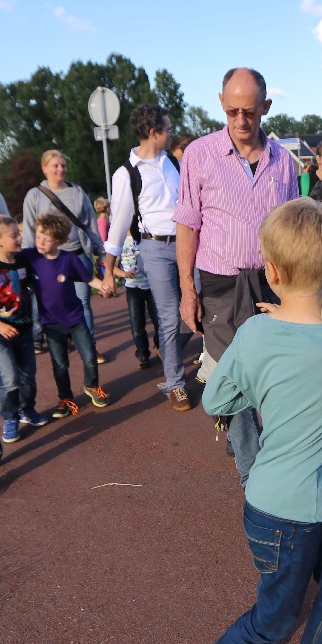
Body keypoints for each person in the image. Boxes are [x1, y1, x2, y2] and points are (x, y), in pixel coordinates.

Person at [177, 199, 322, 644]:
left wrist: (263, 385)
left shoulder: (254, 334)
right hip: (291, 513)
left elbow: (216, 399)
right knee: (273, 618)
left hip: (287, 504)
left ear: (272, 271)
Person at [174, 67, 299, 481]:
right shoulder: (199, 155)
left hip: (270, 282)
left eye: (250, 111)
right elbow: (187, 225)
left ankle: (258, 442)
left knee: (271, 373)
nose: (241, 121)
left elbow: (293, 228)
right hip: (220, 283)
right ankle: (253, 475)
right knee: (233, 370)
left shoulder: (284, 162)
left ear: (266, 107)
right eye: (232, 111)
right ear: (221, 104)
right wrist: (187, 291)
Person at [102, 104, 192, 412]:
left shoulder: (173, 162)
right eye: (168, 129)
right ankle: (176, 384)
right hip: (154, 248)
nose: (171, 134)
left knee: (204, 302)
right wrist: (108, 270)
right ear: (153, 133)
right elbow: (118, 224)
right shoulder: (126, 174)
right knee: (169, 317)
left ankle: (192, 357)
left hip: (188, 243)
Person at [23, 212, 113, 417]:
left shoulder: (69, 258)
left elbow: (89, 279)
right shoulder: (30, 256)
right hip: (51, 322)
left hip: (75, 318)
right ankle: (65, 398)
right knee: (60, 364)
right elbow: (6, 258)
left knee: (89, 356)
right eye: (38, 236)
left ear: (60, 240)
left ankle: (92, 386)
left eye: (47, 239)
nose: (40, 242)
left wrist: (104, 287)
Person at [21, 150, 107, 361]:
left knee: (83, 302)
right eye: (55, 165)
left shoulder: (77, 192)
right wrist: (26, 259)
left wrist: (100, 252)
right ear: (45, 168)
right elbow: (30, 229)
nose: (60, 169)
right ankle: (57, 338)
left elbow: (90, 224)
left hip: (76, 253)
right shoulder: (35, 195)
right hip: (46, 258)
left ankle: (90, 346)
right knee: (49, 299)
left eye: (63, 165)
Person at [0, 214, 49, 447]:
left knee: (28, 375)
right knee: (10, 378)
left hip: (24, 329)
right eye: (14, 235)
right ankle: (10, 417)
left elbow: (31, 283)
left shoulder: (22, 261)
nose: (20, 238)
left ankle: (27, 409)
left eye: (19, 234)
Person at [112, 228, 159, 370]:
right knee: (137, 325)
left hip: (152, 286)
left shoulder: (146, 234)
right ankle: (142, 354)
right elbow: (112, 267)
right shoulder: (120, 240)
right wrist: (125, 274)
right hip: (133, 288)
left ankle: (160, 347)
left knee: (159, 321)